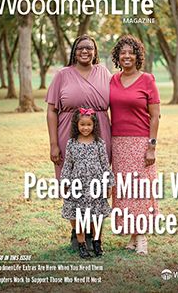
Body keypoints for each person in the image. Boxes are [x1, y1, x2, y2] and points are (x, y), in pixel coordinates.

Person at [46, 34, 112, 249]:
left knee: (97, 185)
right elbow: (51, 111)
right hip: (68, 135)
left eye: (89, 48)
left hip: (100, 134)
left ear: (95, 51)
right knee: (71, 185)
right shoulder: (62, 75)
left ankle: (94, 236)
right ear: (74, 50)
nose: (85, 51)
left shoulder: (104, 73)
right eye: (81, 47)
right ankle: (77, 233)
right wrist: (54, 144)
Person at [110, 35, 160, 255]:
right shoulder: (112, 80)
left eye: (131, 52)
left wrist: (151, 146)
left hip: (140, 143)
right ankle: (132, 235)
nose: (127, 56)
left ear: (137, 56)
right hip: (118, 143)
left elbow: (156, 116)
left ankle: (141, 238)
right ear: (118, 57)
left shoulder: (148, 79)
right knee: (123, 190)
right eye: (123, 52)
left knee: (140, 190)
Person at [60, 107, 114, 258]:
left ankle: (97, 243)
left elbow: (105, 165)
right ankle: (82, 244)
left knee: (96, 216)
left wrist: (109, 184)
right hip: (77, 186)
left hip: (95, 186)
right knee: (77, 216)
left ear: (94, 125)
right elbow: (67, 165)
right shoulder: (71, 143)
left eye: (88, 124)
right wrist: (65, 183)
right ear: (76, 125)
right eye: (82, 124)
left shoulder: (99, 143)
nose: (85, 128)